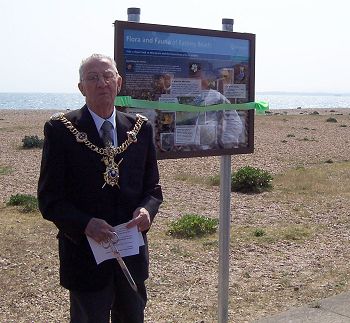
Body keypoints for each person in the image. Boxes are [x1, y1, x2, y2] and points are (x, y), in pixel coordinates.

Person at [37, 53, 163, 323]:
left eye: (107, 76)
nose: (101, 83)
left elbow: (153, 189)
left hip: (131, 252)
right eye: (92, 78)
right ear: (81, 87)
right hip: (84, 254)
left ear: (118, 82)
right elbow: (49, 199)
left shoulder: (140, 129)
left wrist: (146, 211)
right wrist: (85, 224)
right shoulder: (61, 130)